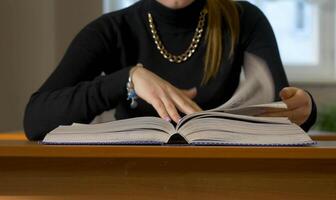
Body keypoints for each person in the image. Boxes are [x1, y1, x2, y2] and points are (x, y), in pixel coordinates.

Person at [24, 0, 317, 141]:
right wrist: (128, 79)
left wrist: (305, 108)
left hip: (224, 176)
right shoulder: (111, 30)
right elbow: (36, 119)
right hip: (130, 179)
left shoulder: (244, 19)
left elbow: (284, 112)